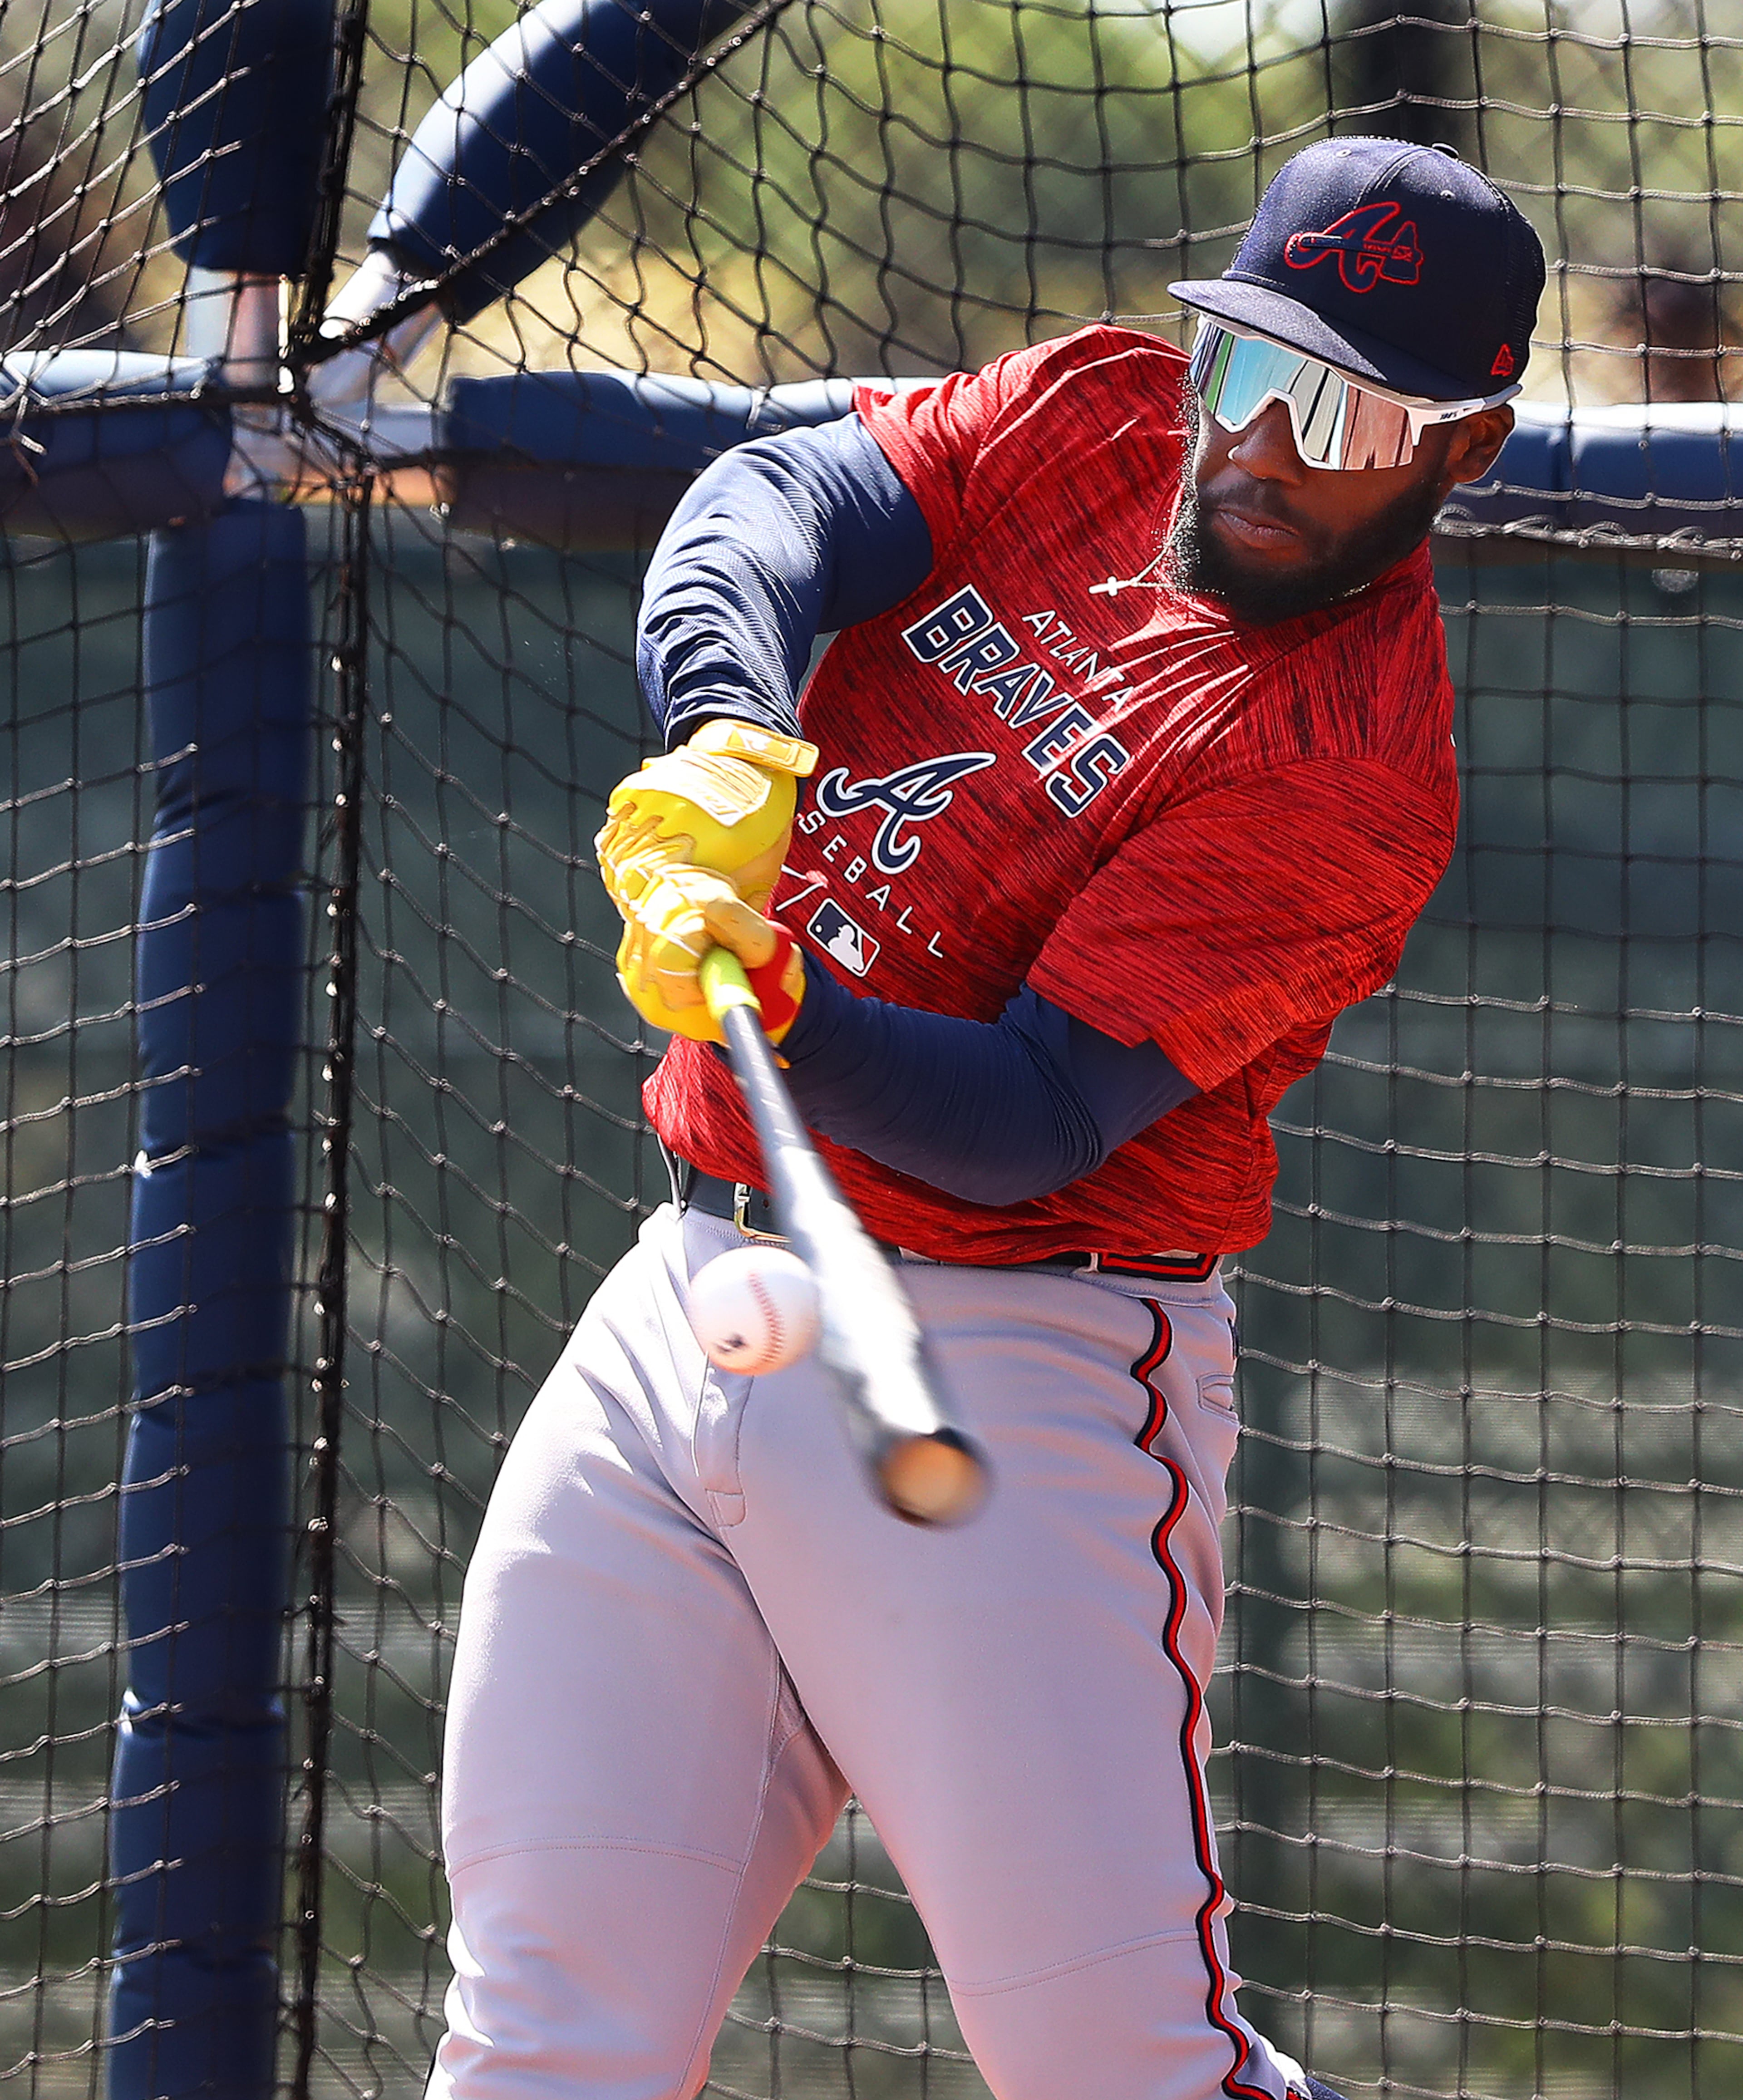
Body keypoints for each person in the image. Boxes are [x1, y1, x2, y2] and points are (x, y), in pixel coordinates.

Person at [428, 138, 1545, 2100]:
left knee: (1123, 2066)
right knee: (544, 2038)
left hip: (1005, 1355)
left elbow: (1031, 1111)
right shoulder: (1103, 409)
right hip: (688, 1295)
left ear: (1466, 449)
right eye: (1248, 367)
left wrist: (785, 995)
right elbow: (771, 499)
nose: (1259, 443)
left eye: (1341, 409)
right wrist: (725, 728)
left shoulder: (1353, 764)